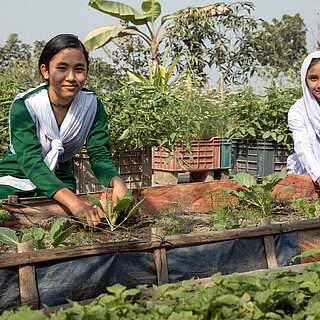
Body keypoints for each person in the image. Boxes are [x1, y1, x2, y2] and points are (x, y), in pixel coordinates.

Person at [0, 34, 127, 226]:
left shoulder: (92, 106)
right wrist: (75, 204)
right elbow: (31, 163)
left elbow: (99, 155)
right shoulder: (26, 106)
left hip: (61, 180)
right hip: (16, 178)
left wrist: (117, 181)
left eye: (79, 69)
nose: (71, 78)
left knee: (69, 227)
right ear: (45, 71)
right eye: (61, 68)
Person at [287, 51, 320, 185]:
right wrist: (318, 176)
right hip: (310, 171)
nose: (319, 85)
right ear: (304, 79)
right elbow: (303, 148)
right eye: (313, 78)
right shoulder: (298, 110)